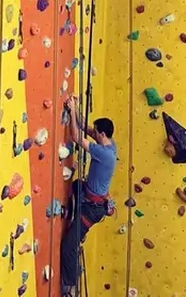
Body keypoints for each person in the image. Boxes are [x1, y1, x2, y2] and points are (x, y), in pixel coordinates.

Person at [60, 96, 117, 297]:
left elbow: (76, 136)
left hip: (92, 208)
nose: (94, 133)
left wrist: (73, 111)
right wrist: (74, 110)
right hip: (89, 197)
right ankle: (76, 222)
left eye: (96, 132)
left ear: (102, 134)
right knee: (75, 185)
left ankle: (70, 288)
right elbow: (86, 128)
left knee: (68, 248)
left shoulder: (104, 153)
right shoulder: (110, 145)